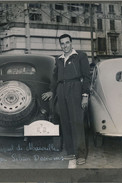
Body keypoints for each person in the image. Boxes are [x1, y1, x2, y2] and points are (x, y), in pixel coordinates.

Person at [42, 34, 91, 165]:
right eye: (62, 43)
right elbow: (54, 78)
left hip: (75, 88)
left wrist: (85, 95)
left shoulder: (80, 56)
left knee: (77, 122)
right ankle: (71, 152)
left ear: (71, 43)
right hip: (61, 90)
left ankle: (81, 154)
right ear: (60, 45)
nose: (65, 45)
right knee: (65, 121)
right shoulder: (59, 60)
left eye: (67, 43)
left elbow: (87, 77)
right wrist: (52, 91)